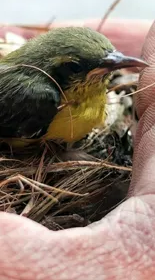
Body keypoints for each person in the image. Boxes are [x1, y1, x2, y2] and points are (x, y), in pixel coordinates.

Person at [0, 19, 154, 280]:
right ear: (60, 71)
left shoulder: (90, 93)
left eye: (113, 59)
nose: (115, 66)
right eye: (75, 66)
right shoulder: (39, 100)